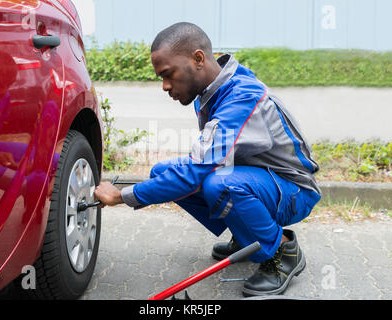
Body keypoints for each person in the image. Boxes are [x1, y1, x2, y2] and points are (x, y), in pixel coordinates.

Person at [94, 22, 322, 297]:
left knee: (219, 184)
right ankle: (246, 236)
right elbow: (205, 160)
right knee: (162, 172)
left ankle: (282, 252)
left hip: (294, 190)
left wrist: (121, 196)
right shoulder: (213, 91)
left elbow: (197, 172)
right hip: (262, 178)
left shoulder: (241, 96)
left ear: (198, 59)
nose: (165, 86)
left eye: (168, 74)